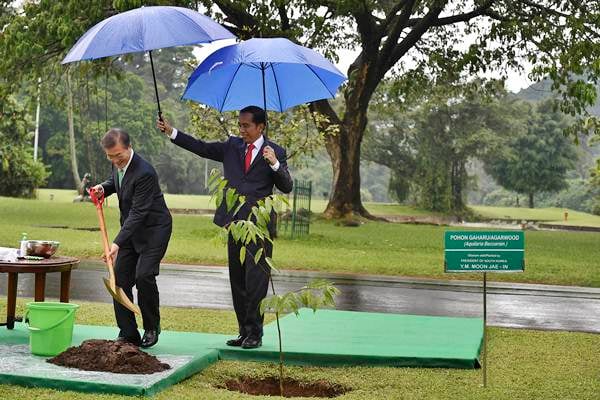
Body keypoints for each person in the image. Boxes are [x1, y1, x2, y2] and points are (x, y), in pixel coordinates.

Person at [157, 106, 293, 349]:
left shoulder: (276, 152)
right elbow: (201, 147)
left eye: (246, 126)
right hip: (234, 224)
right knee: (237, 280)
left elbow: (286, 186)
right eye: (239, 125)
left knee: (256, 280)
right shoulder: (232, 146)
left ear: (260, 127)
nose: (241, 130)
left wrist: (274, 164)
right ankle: (243, 331)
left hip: (259, 227)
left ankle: (255, 333)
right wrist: (171, 132)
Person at [91, 128, 172, 348]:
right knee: (119, 278)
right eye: (111, 156)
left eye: (119, 155)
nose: (116, 160)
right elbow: (117, 180)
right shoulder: (118, 163)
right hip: (131, 231)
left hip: (154, 230)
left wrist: (116, 243)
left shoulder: (145, 172)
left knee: (144, 275)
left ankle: (152, 327)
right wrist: (103, 188)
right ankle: (128, 333)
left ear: (129, 147)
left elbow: (138, 213)